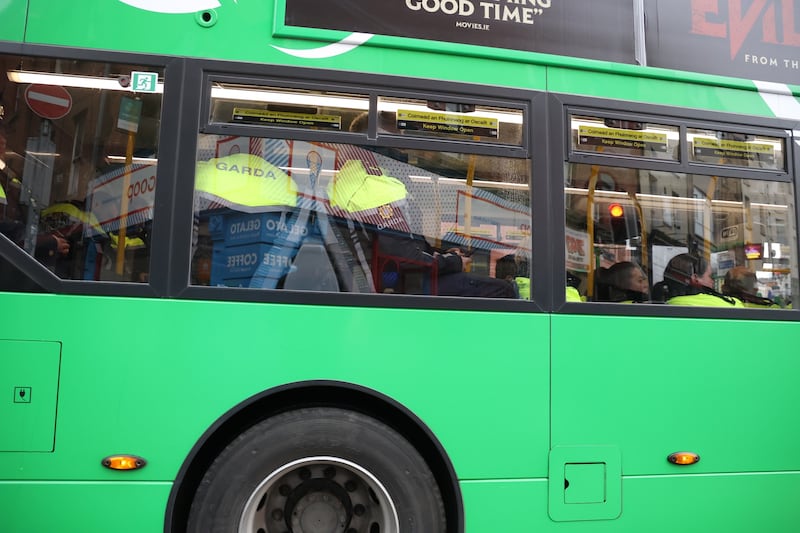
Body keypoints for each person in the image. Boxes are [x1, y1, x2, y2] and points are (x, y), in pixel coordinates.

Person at [655, 253, 742, 307]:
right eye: (710, 276)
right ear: (695, 278)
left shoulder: (662, 304)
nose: (712, 281)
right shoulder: (730, 304)